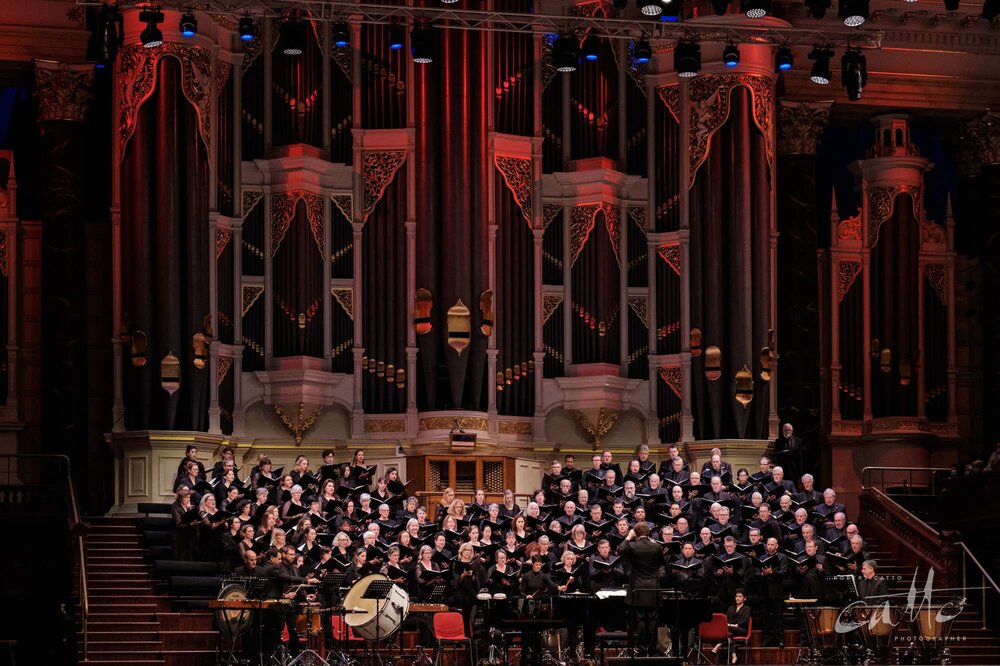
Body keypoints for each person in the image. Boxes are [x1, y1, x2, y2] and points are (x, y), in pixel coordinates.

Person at [617, 523, 663, 657]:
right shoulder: (656, 546)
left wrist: (628, 537)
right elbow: (662, 563)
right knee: (653, 619)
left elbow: (620, 549)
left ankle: (642, 649)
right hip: (653, 587)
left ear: (636, 533)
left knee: (641, 619)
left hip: (638, 586)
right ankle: (652, 649)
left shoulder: (632, 546)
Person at [714, 589, 750, 665]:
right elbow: (725, 619)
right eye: (736, 596)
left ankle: (718, 644)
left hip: (741, 629)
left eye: (740, 596)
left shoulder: (747, 608)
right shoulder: (730, 608)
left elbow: (746, 620)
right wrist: (728, 625)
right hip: (730, 630)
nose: (738, 598)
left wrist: (737, 625)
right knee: (729, 634)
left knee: (728, 629)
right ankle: (734, 656)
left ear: (744, 598)